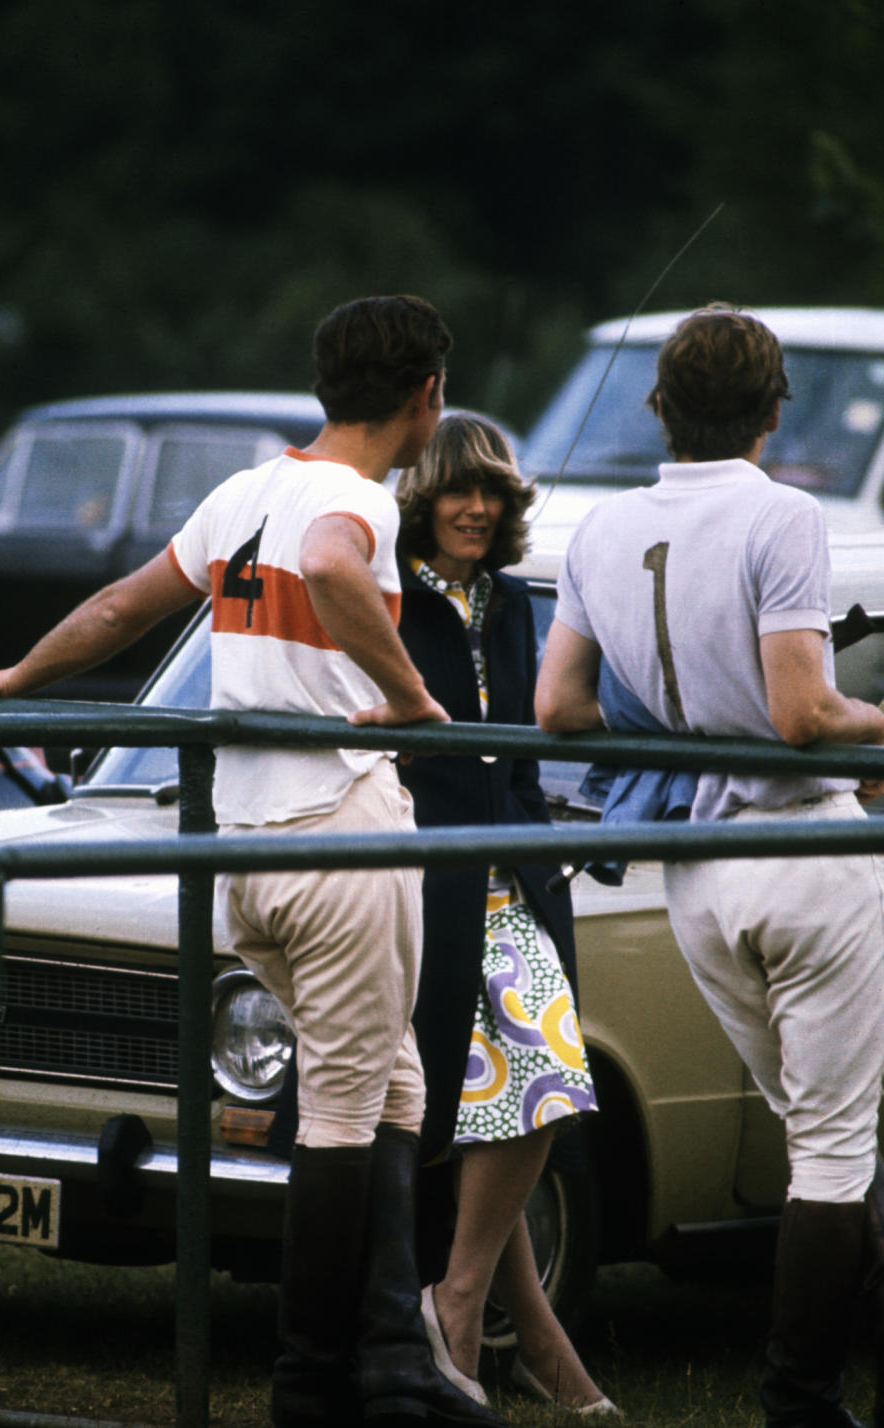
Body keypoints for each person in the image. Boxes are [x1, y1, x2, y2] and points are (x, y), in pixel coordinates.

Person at [0, 295, 507, 1428]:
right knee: (344, 1102)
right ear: (427, 398)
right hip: (338, 828)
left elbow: (116, 608)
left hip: (244, 844)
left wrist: (5, 681)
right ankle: (312, 1384)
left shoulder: (246, 493)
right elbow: (338, 570)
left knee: (393, 1079)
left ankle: (394, 1355)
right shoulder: (356, 506)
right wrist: (410, 697)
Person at [534, 302, 884, 1428]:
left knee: (821, 1135)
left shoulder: (597, 532)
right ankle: (801, 1402)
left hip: (699, 876)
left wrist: (677, 715)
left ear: (658, 409)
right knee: (833, 1154)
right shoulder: (782, 516)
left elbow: (559, 708)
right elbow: (800, 713)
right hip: (803, 849)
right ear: (774, 412)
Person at [394, 414, 616, 1415]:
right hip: (423, 879)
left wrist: (537, 858)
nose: (477, 508)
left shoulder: (518, 601)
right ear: (423, 498)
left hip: (511, 876)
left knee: (542, 1078)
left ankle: (462, 1306)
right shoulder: (390, 595)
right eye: (457, 490)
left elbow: (524, 755)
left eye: (493, 492)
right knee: (514, 1091)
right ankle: (522, 1339)